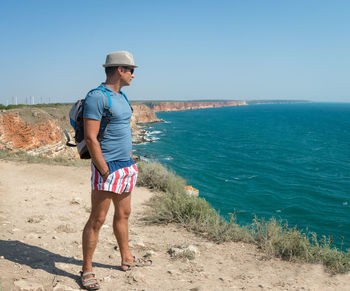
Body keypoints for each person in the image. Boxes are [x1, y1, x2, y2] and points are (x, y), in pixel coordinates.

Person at [80, 51, 151, 290]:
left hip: (126, 166)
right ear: (119, 70)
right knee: (97, 219)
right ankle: (87, 269)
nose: (133, 75)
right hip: (107, 168)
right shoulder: (97, 97)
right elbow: (90, 137)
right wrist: (103, 169)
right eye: (131, 70)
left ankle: (126, 258)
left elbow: (122, 130)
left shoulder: (122, 97)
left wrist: (130, 160)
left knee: (124, 214)